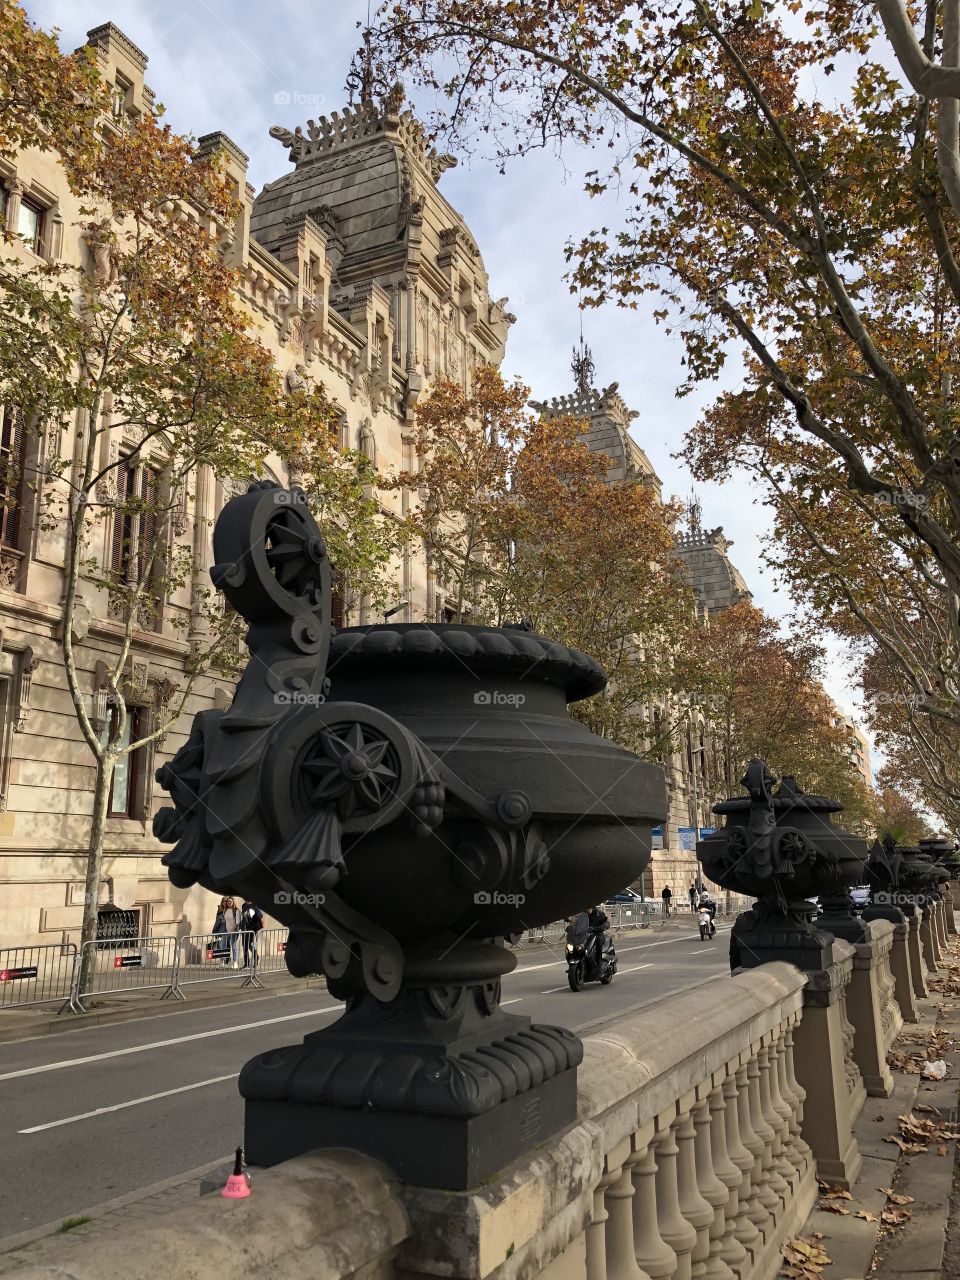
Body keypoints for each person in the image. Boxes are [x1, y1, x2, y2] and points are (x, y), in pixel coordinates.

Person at [240, 900, 264, 968]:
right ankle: (246, 963)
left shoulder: (255, 905)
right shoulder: (244, 905)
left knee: (252, 945)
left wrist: (253, 915)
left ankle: (256, 959)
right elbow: (243, 916)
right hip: (245, 928)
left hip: (253, 929)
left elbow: (260, 916)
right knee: (245, 946)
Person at [222, 897, 242, 967]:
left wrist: (232, 930)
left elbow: (237, 922)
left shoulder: (236, 910)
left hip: (234, 931)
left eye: (230, 901)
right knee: (224, 946)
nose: (229, 902)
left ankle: (235, 962)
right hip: (226, 931)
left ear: (233, 902)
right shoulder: (225, 910)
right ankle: (223, 961)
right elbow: (225, 919)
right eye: (228, 901)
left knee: (233, 946)